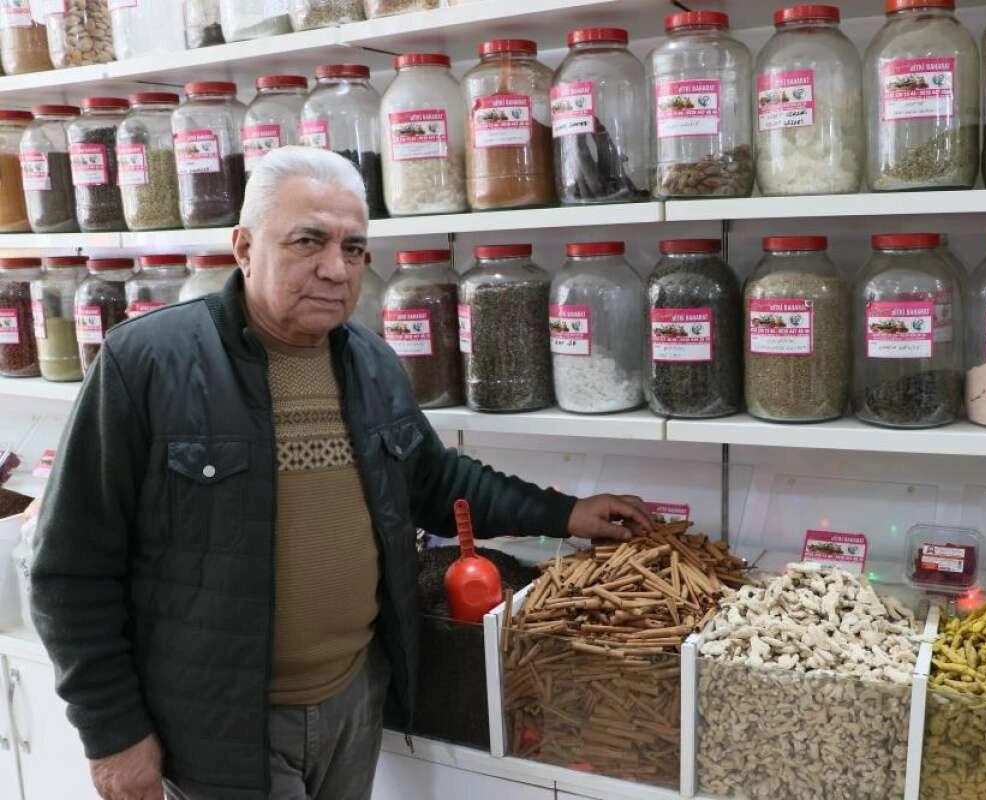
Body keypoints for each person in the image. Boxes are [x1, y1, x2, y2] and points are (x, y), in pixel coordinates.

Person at [31, 146, 654, 800]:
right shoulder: (148, 363)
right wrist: (111, 732)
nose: (335, 269)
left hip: (354, 703)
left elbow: (435, 483)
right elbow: (69, 567)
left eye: (353, 249)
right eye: (308, 241)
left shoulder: (371, 363)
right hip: (222, 727)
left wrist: (566, 512)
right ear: (244, 248)